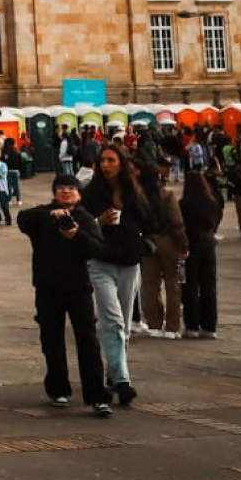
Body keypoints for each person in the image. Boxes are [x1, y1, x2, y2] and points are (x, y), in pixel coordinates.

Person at [16, 174, 111, 416]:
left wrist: (75, 233)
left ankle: (96, 395)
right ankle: (58, 389)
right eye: (61, 188)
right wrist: (52, 215)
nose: (66, 192)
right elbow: (22, 219)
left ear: (79, 194)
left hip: (78, 288)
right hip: (48, 287)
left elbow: (97, 248)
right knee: (52, 340)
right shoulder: (44, 213)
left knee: (87, 341)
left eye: (71, 188)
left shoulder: (85, 218)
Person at [80, 142, 149, 408]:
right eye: (103, 160)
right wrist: (99, 222)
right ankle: (122, 380)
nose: (106, 165)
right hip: (101, 261)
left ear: (121, 162)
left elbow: (150, 220)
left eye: (111, 160)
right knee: (113, 321)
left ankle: (114, 373)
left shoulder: (134, 191)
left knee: (124, 326)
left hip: (130, 261)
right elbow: (82, 223)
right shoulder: (92, 192)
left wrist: (145, 243)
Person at [136, 158, 188, 340]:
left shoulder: (138, 196)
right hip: (168, 241)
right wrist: (183, 245)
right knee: (173, 284)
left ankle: (154, 325)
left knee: (150, 285)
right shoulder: (167, 195)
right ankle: (172, 328)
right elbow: (177, 222)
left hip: (148, 243)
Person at [179, 170, 223, 339]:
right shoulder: (212, 202)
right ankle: (210, 326)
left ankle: (192, 326)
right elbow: (216, 221)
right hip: (208, 246)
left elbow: (179, 226)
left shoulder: (183, 204)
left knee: (189, 287)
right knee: (209, 287)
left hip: (189, 248)